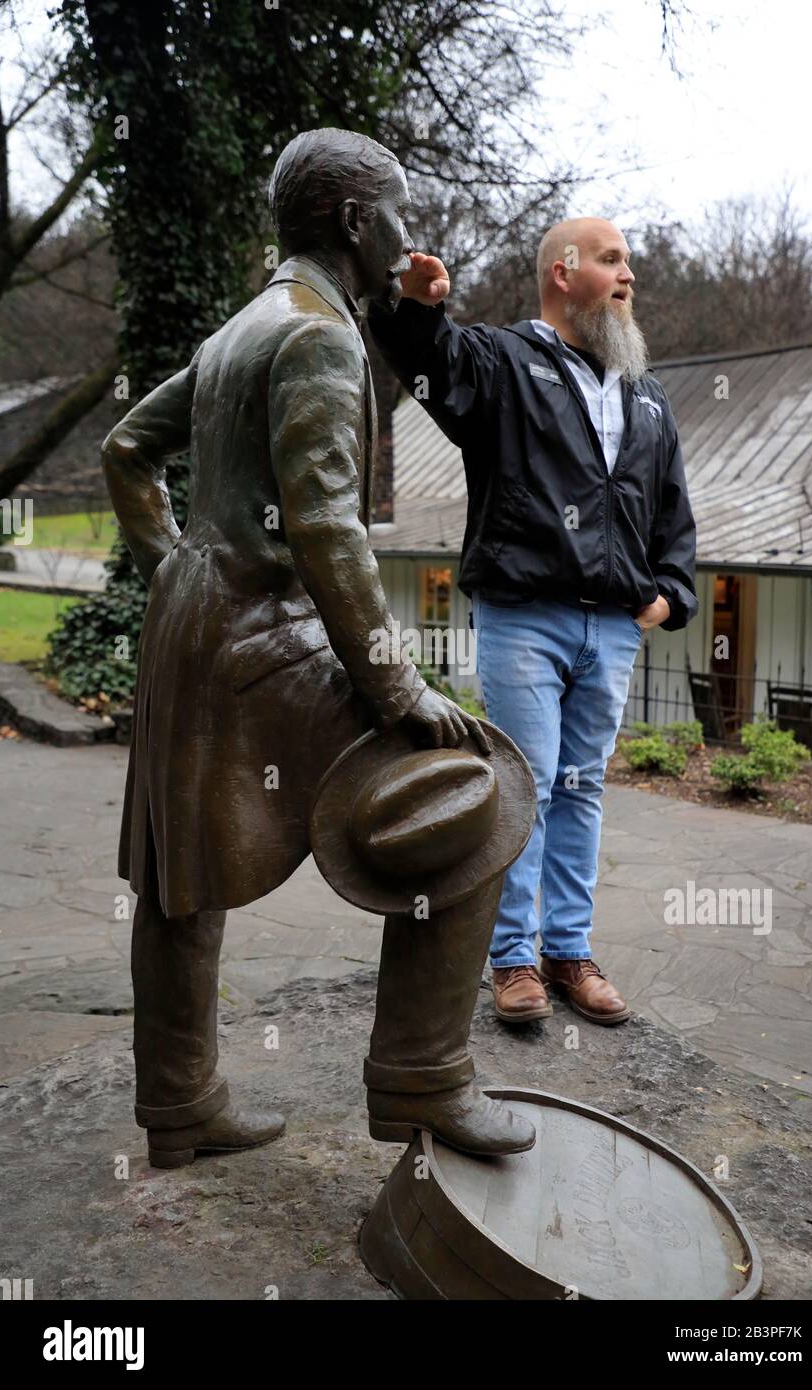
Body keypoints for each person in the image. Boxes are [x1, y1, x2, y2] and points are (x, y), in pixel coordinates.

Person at [102, 127, 536, 1167]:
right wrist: (396, 687)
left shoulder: (241, 329)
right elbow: (327, 528)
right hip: (258, 628)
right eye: (396, 211)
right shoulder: (321, 335)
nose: (405, 233)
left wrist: (175, 561)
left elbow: (127, 450)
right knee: (469, 789)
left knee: (179, 874)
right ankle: (422, 1083)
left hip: (188, 618)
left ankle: (177, 1105)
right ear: (353, 220)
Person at [368, 217, 698, 1027]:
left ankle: (568, 952)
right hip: (525, 618)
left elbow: (671, 513)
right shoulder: (503, 363)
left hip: (613, 628)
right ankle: (512, 961)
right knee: (528, 788)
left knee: (581, 792)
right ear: (562, 271)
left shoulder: (646, 397)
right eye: (612, 260)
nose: (628, 276)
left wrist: (668, 596)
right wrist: (414, 307)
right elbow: (429, 361)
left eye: (628, 263)